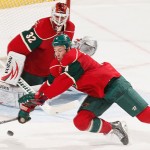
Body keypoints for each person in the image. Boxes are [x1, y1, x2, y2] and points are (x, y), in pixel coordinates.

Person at [17, 34, 150, 145]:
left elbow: (62, 84)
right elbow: (49, 83)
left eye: (60, 50)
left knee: (145, 117)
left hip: (114, 86)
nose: (57, 54)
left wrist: (41, 98)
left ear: (68, 48)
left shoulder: (74, 58)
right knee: (81, 122)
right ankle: (115, 127)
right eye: (55, 50)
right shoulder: (57, 63)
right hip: (98, 94)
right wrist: (30, 105)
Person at [6, 2, 75, 86]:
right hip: (33, 74)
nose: (59, 20)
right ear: (52, 14)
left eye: (63, 17)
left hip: (52, 73)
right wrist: (13, 72)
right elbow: (14, 46)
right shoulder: (42, 27)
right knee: (28, 99)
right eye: (57, 16)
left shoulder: (70, 28)